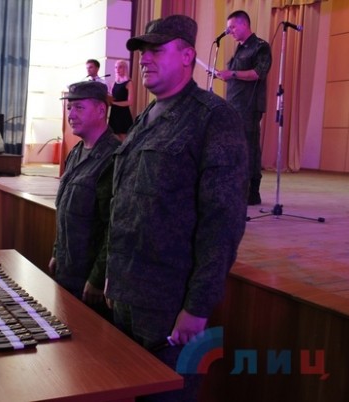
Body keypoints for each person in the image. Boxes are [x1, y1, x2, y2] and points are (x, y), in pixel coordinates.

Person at [105, 15, 249, 401]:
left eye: (156, 50)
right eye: (142, 51)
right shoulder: (144, 119)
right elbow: (123, 206)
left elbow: (223, 222)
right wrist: (112, 277)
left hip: (169, 307)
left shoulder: (213, 118)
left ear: (187, 56)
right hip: (126, 296)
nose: (145, 59)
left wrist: (198, 306)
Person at [48, 81, 120, 319]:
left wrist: (98, 278)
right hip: (67, 269)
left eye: (79, 107)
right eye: (69, 108)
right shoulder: (76, 152)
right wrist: (57, 252)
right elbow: (65, 209)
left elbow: (114, 226)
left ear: (101, 110)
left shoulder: (114, 157)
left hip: (90, 281)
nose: (71, 115)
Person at [215, 10, 272, 205]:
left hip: (249, 106)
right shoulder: (239, 48)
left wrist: (232, 74)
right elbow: (237, 76)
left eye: (232, 27)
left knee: (249, 147)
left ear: (244, 24)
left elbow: (259, 72)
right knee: (236, 147)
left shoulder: (260, 47)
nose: (229, 31)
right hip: (234, 105)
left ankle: (252, 193)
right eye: (228, 28)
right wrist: (223, 75)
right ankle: (238, 188)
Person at [108, 59, 135, 141]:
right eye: (116, 67)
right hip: (114, 113)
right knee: (114, 137)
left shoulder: (129, 83)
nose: (117, 69)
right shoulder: (114, 83)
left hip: (123, 113)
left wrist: (114, 103)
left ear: (125, 69)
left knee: (124, 138)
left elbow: (130, 102)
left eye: (120, 67)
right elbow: (112, 98)